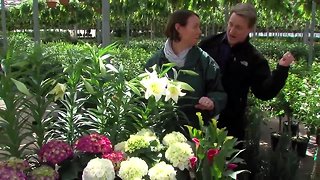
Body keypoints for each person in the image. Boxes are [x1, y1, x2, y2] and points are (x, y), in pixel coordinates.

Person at [199, 3, 295, 144]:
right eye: (230, 24)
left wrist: (281, 69)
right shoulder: (208, 45)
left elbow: (264, 92)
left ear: (250, 29)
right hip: (200, 117)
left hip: (230, 127)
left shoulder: (254, 59)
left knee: (226, 164)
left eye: (238, 27)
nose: (231, 31)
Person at [145, 10, 227, 131]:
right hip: (161, 131)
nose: (200, 31)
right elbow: (143, 98)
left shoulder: (205, 62)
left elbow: (219, 92)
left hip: (194, 132)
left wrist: (212, 102)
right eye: (195, 27)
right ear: (178, 27)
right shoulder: (155, 63)